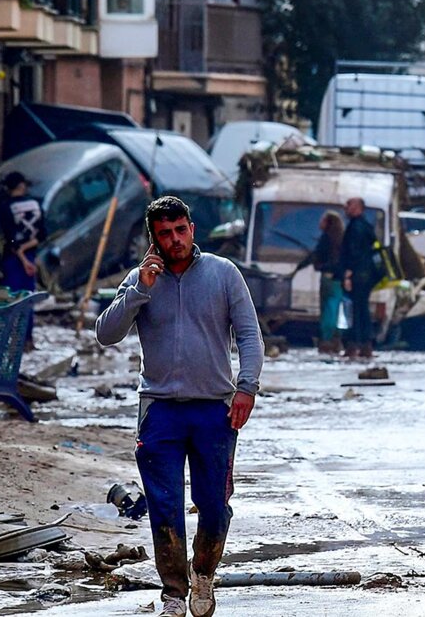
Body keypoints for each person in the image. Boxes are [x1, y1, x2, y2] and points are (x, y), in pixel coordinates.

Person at [95, 197, 263, 617]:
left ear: (192, 228)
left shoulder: (223, 274)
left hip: (215, 410)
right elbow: (106, 334)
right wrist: (140, 290)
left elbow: (249, 336)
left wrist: (247, 387)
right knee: (165, 504)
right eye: (165, 234)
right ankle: (173, 592)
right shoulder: (140, 280)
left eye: (180, 230)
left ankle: (203, 575)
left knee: (213, 502)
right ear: (153, 239)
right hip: (160, 410)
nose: (175, 240)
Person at [0, 172, 44, 349]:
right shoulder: (36, 205)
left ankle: (13, 342)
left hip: (14, 260)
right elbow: (42, 234)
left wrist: (21, 255)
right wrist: (27, 253)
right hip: (30, 258)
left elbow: (10, 239)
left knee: (13, 300)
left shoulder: (5, 207)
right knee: (28, 300)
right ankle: (28, 340)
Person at [339, 197, 379, 359]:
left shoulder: (355, 227)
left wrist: (348, 273)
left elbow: (353, 252)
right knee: (362, 310)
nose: (345, 208)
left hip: (358, 275)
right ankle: (365, 344)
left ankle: (355, 345)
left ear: (358, 208)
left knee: (356, 311)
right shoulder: (367, 226)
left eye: (349, 205)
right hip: (367, 275)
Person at [311, 210, 345, 354]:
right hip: (338, 279)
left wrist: (320, 265)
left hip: (328, 277)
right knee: (336, 309)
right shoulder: (342, 238)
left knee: (327, 310)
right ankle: (336, 339)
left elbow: (317, 257)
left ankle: (326, 339)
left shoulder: (326, 239)